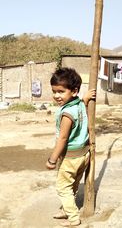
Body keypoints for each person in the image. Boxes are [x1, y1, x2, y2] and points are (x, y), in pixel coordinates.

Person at [46, 67, 95, 227]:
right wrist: (86, 98)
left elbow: (63, 138)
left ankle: (73, 218)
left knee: (63, 187)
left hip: (70, 157)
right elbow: (82, 102)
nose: (56, 96)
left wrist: (52, 160)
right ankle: (67, 209)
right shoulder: (78, 105)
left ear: (73, 91)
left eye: (61, 91)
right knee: (72, 184)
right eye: (54, 91)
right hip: (83, 155)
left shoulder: (67, 113)